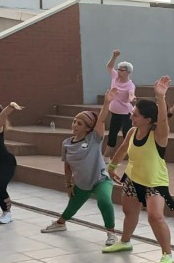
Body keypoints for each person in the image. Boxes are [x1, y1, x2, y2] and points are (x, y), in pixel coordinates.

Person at [104, 77, 174, 263]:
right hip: (132, 179)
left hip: (155, 182)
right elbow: (123, 149)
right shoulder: (132, 132)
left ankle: (167, 254)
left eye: (135, 115)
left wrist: (160, 97)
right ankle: (125, 241)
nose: (131, 116)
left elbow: (163, 121)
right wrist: (112, 166)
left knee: (155, 217)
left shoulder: (159, 135)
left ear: (148, 119)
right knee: (129, 212)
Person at [41, 89, 118, 245]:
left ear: (88, 128)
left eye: (80, 123)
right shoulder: (66, 143)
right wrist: (68, 185)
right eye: (74, 121)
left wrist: (107, 103)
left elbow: (101, 120)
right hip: (82, 183)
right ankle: (60, 224)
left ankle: (111, 233)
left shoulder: (94, 139)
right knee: (72, 207)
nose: (75, 125)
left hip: (100, 180)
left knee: (104, 202)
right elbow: (67, 166)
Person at [104, 49, 135, 158]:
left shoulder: (130, 85)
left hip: (126, 114)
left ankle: (132, 157)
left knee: (127, 135)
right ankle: (106, 157)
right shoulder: (115, 77)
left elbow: (131, 94)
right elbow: (109, 67)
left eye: (121, 70)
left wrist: (132, 98)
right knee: (112, 135)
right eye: (118, 69)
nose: (118, 71)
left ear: (128, 72)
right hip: (115, 112)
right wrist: (114, 56)